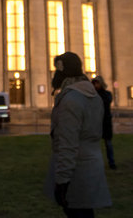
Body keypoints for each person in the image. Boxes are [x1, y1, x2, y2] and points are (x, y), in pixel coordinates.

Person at [45, 52, 111, 218]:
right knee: (86, 211)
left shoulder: (71, 100)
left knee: (76, 211)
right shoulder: (93, 96)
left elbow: (68, 143)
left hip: (76, 170)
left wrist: (62, 181)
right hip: (91, 164)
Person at [92, 75, 117, 170]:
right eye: (94, 84)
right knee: (95, 144)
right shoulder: (94, 94)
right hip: (97, 122)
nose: (95, 85)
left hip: (105, 122)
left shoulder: (106, 94)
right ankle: (97, 163)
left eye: (97, 83)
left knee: (108, 144)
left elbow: (105, 102)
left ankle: (111, 162)